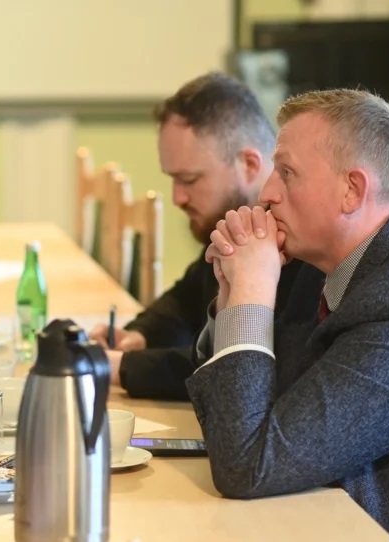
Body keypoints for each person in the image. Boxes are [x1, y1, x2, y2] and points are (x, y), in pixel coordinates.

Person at [191, 89, 389, 541]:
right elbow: (241, 420)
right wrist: (231, 295)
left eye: (287, 173)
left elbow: (248, 466)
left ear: (351, 191)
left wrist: (252, 291)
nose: (267, 193)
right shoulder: (319, 267)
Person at [86, 72, 294, 400]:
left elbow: (228, 366)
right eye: (172, 179)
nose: (177, 198)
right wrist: (140, 335)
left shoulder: (295, 243)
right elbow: (186, 297)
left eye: (189, 180)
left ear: (250, 164)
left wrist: (118, 366)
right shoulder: (237, 222)